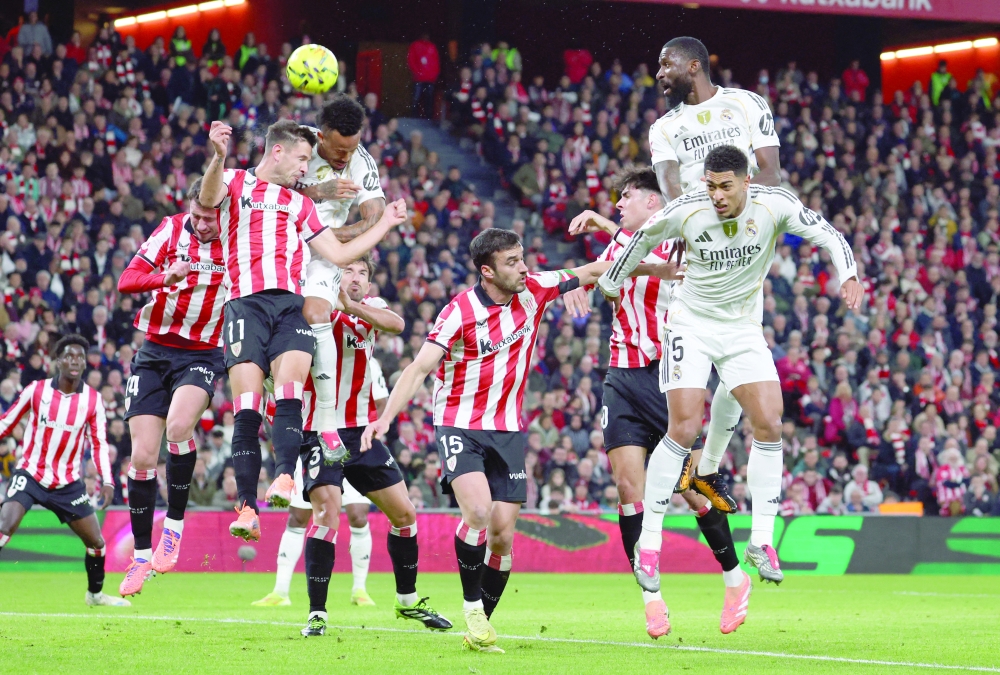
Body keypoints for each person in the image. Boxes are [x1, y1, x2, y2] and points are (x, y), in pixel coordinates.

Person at [597, 144, 863, 596]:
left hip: (741, 328)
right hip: (691, 323)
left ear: (745, 181)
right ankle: (651, 545)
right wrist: (610, 280)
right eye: (711, 186)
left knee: (770, 422)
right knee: (682, 428)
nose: (716, 195)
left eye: (725, 186)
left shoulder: (774, 205)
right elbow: (641, 239)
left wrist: (849, 275)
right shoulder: (689, 208)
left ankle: (762, 540)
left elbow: (831, 235)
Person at [361, 229, 617, 653]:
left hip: (509, 429)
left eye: (522, 258)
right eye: (513, 261)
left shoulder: (535, 289)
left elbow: (595, 268)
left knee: (501, 537)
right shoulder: (458, 311)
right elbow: (418, 368)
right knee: (478, 511)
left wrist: (659, 268)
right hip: (459, 424)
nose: (523, 267)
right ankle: (472, 607)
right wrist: (387, 418)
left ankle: (480, 629)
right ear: (487, 271)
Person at [199, 119, 407, 542]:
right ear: (278, 152)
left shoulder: (300, 206)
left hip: (289, 306)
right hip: (245, 305)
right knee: (247, 408)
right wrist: (218, 157)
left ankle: (284, 479)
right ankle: (245, 507)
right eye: (301, 159)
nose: (304, 168)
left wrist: (385, 224)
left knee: (291, 393)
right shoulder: (236, 182)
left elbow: (339, 251)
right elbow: (206, 198)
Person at [566, 166, 749, 639]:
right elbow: (614, 262)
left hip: (668, 376)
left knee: (689, 490)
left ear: (652, 202)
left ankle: (734, 577)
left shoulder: (682, 236)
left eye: (626, 197)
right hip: (620, 377)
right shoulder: (622, 242)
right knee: (629, 490)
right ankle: (652, 599)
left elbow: (647, 256)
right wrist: (576, 287)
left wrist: (615, 242)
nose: (618, 204)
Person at [646, 37, 783, 544]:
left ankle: (707, 465)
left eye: (666, 65)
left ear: (694, 66)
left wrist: (752, 221)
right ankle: (697, 470)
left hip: (744, 252)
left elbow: (769, 171)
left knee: (740, 357)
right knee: (713, 364)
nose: (659, 74)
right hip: (699, 259)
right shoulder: (666, 127)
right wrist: (691, 226)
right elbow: (668, 184)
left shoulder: (746, 105)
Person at [291, 255, 450, 636]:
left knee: (405, 515)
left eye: (363, 272)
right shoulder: (308, 306)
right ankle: (317, 613)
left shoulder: (371, 309)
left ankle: (407, 602)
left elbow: (397, 324)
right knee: (327, 514)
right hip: (318, 429)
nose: (357, 277)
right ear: (331, 275)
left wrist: (351, 304)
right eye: (349, 271)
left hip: (362, 432)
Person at [116, 178, 226, 596]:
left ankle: (174, 529)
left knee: (179, 428)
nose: (199, 224)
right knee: (143, 455)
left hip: (201, 353)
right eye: (195, 215)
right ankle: (141, 558)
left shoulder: (236, 243)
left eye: (208, 218)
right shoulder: (171, 228)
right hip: (155, 350)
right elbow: (128, 280)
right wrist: (165, 276)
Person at [0, 335, 129, 607]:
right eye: (69, 356)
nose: (75, 361)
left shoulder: (93, 401)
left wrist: (108, 481)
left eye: (80, 357)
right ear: (58, 361)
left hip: (68, 483)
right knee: (4, 526)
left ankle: (95, 596)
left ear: (85, 364)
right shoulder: (37, 390)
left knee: (96, 543)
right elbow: (6, 423)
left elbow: (99, 443)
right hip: (31, 474)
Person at [252, 357, 389, 609]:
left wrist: (368, 433)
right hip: (309, 441)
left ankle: (360, 589)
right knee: (298, 516)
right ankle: (280, 590)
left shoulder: (365, 358)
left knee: (358, 515)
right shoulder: (303, 353)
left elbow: (380, 400)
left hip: (351, 441)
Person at [295, 95, 386, 466]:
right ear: (320, 136)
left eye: (351, 149)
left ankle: (328, 422)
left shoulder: (361, 162)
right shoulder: (295, 143)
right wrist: (317, 192)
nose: (344, 157)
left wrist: (329, 236)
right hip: (275, 243)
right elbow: (262, 187)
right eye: (337, 149)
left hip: (323, 252)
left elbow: (374, 216)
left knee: (317, 314)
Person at [407, 34, 440, 119]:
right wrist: (416, 73)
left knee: (428, 99)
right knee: (416, 99)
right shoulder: (415, 45)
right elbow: (411, 60)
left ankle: (428, 118)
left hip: (430, 78)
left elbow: (435, 62)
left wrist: (434, 75)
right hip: (419, 78)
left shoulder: (432, 46)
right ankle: (414, 118)